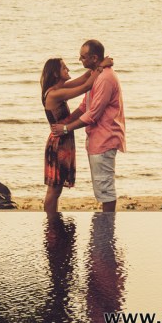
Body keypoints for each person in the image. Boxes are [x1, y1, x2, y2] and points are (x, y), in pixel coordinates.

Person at [50, 39, 125, 212]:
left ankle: (106, 232)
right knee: (101, 187)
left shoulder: (104, 79)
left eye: (83, 57)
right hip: (97, 140)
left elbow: (93, 114)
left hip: (105, 139)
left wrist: (67, 127)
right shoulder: (97, 75)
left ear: (94, 57)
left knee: (105, 189)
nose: (79, 60)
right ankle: (104, 231)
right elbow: (85, 105)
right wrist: (65, 122)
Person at [40, 55, 113, 215]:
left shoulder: (59, 88)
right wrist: (101, 67)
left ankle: (52, 221)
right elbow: (86, 86)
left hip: (63, 140)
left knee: (56, 188)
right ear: (55, 74)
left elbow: (86, 77)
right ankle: (51, 224)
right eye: (64, 68)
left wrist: (99, 64)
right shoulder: (54, 94)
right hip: (59, 142)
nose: (68, 69)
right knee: (54, 189)